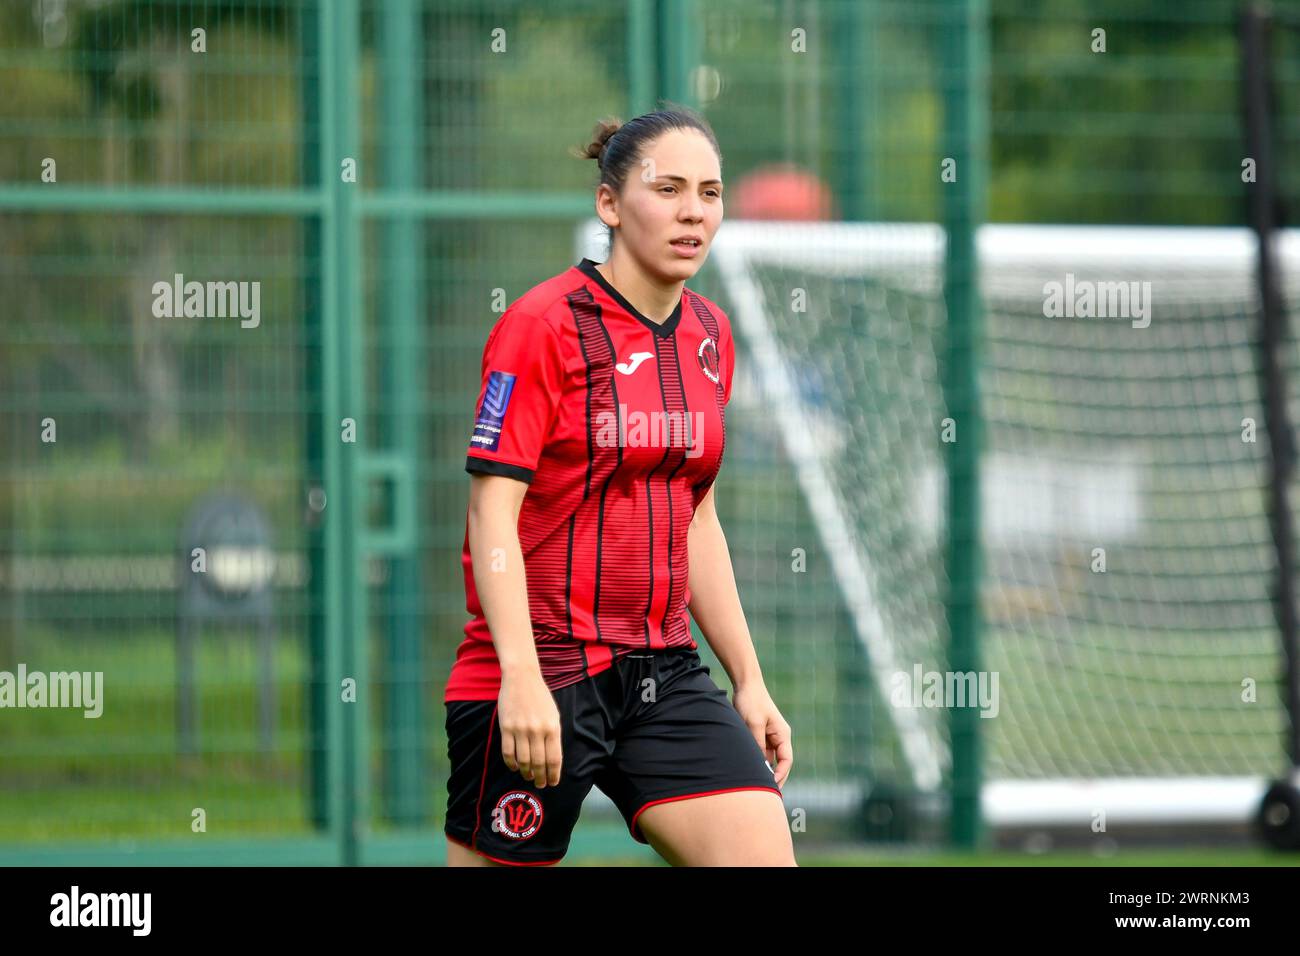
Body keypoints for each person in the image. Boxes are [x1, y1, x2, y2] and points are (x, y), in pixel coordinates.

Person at [443, 106, 796, 867]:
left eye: (709, 191)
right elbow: (490, 513)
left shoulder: (710, 336)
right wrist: (520, 677)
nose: (693, 211)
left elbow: (695, 515)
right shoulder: (543, 325)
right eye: (667, 189)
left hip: (663, 672)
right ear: (609, 204)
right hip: (543, 670)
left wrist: (749, 678)